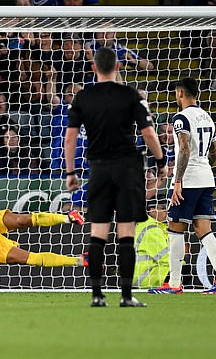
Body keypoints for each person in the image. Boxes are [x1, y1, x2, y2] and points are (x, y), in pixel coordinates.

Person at [64, 46, 167, 308]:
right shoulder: (129, 94)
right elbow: (149, 134)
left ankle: (97, 295)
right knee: (126, 234)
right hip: (127, 169)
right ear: (118, 67)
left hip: (98, 169)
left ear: (93, 67)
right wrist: (161, 161)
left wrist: (71, 172)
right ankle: (125, 295)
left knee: (98, 233)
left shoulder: (83, 97)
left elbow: (71, 136)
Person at [148, 78, 216, 295]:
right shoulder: (208, 117)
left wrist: (177, 182)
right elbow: (215, 152)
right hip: (206, 178)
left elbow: (184, 149)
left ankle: (174, 284)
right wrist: (204, 164)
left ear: (180, 93)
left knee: (175, 229)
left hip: (189, 181)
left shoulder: (181, 118)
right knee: (203, 230)